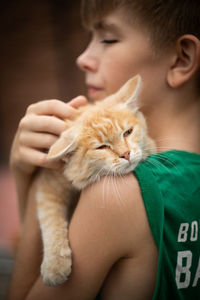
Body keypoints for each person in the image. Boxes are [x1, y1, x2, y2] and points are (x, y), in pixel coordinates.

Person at [8, 0, 200, 299]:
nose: (82, 58)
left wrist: (33, 183)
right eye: (88, 39)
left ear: (182, 58)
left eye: (108, 38)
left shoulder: (119, 191)